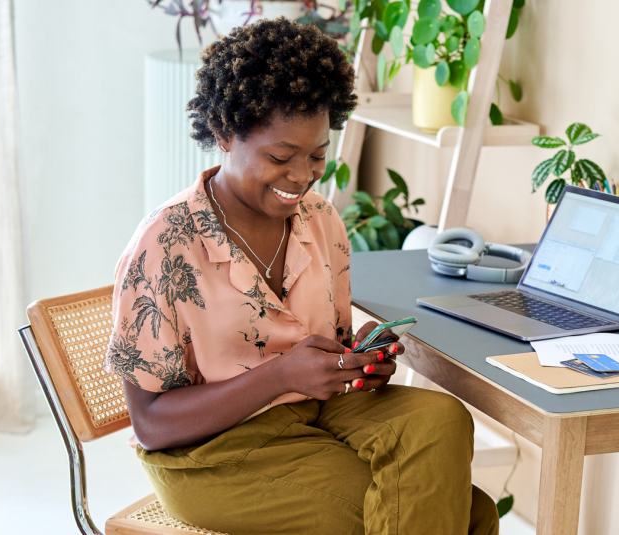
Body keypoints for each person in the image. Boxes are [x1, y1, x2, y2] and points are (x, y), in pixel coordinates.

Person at [105, 18, 498, 535]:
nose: (302, 175)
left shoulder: (320, 220)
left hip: (317, 415)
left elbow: (325, 351)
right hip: (211, 450)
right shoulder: (167, 244)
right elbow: (152, 424)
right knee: (466, 515)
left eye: (316, 155)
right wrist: (280, 375)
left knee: (441, 420)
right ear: (224, 133)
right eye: (280, 156)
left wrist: (355, 365)